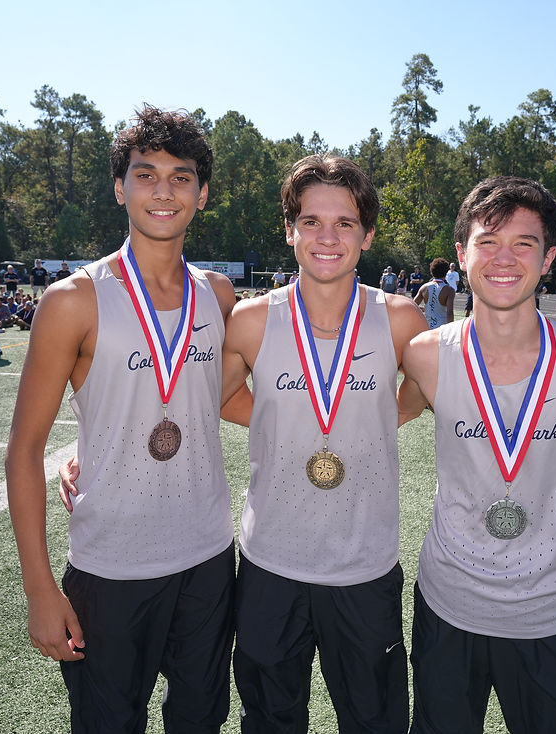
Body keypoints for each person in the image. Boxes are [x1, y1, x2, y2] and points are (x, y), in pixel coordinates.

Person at [6, 106, 242, 734]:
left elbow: (233, 399)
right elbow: (25, 450)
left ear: (203, 192)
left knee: (199, 720)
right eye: (146, 174)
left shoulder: (218, 296)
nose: (163, 190)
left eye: (181, 176)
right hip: (112, 565)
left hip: (208, 557)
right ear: (120, 186)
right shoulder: (73, 301)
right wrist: (38, 590)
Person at [400, 176, 556, 734]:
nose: (504, 258)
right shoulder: (427, 356)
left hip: (547, 612)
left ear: (548, 258)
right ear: (461, 254)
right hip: (447, 605)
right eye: (487, 241)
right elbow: (364, 426)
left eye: (524, 243)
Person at [220, 154, 427, 733]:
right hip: (271, 562)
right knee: (270, 719)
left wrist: (379, 420)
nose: (327, 237)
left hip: (364, 565)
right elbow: (210, 397)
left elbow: (428, 389)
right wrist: (278, 421)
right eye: (311, 221)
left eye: (344, 223)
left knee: (374, 720)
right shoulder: (252, 319)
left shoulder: (401, 319)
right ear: (290, 231)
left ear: (368, 234)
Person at [414, 257, 456, 329]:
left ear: (432, 271)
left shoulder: (424, 287)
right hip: (442, 329)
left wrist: (424, 309)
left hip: (427, 328)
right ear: (446, 272)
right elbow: (450, 313)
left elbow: (412, 306)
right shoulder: (449, 290)